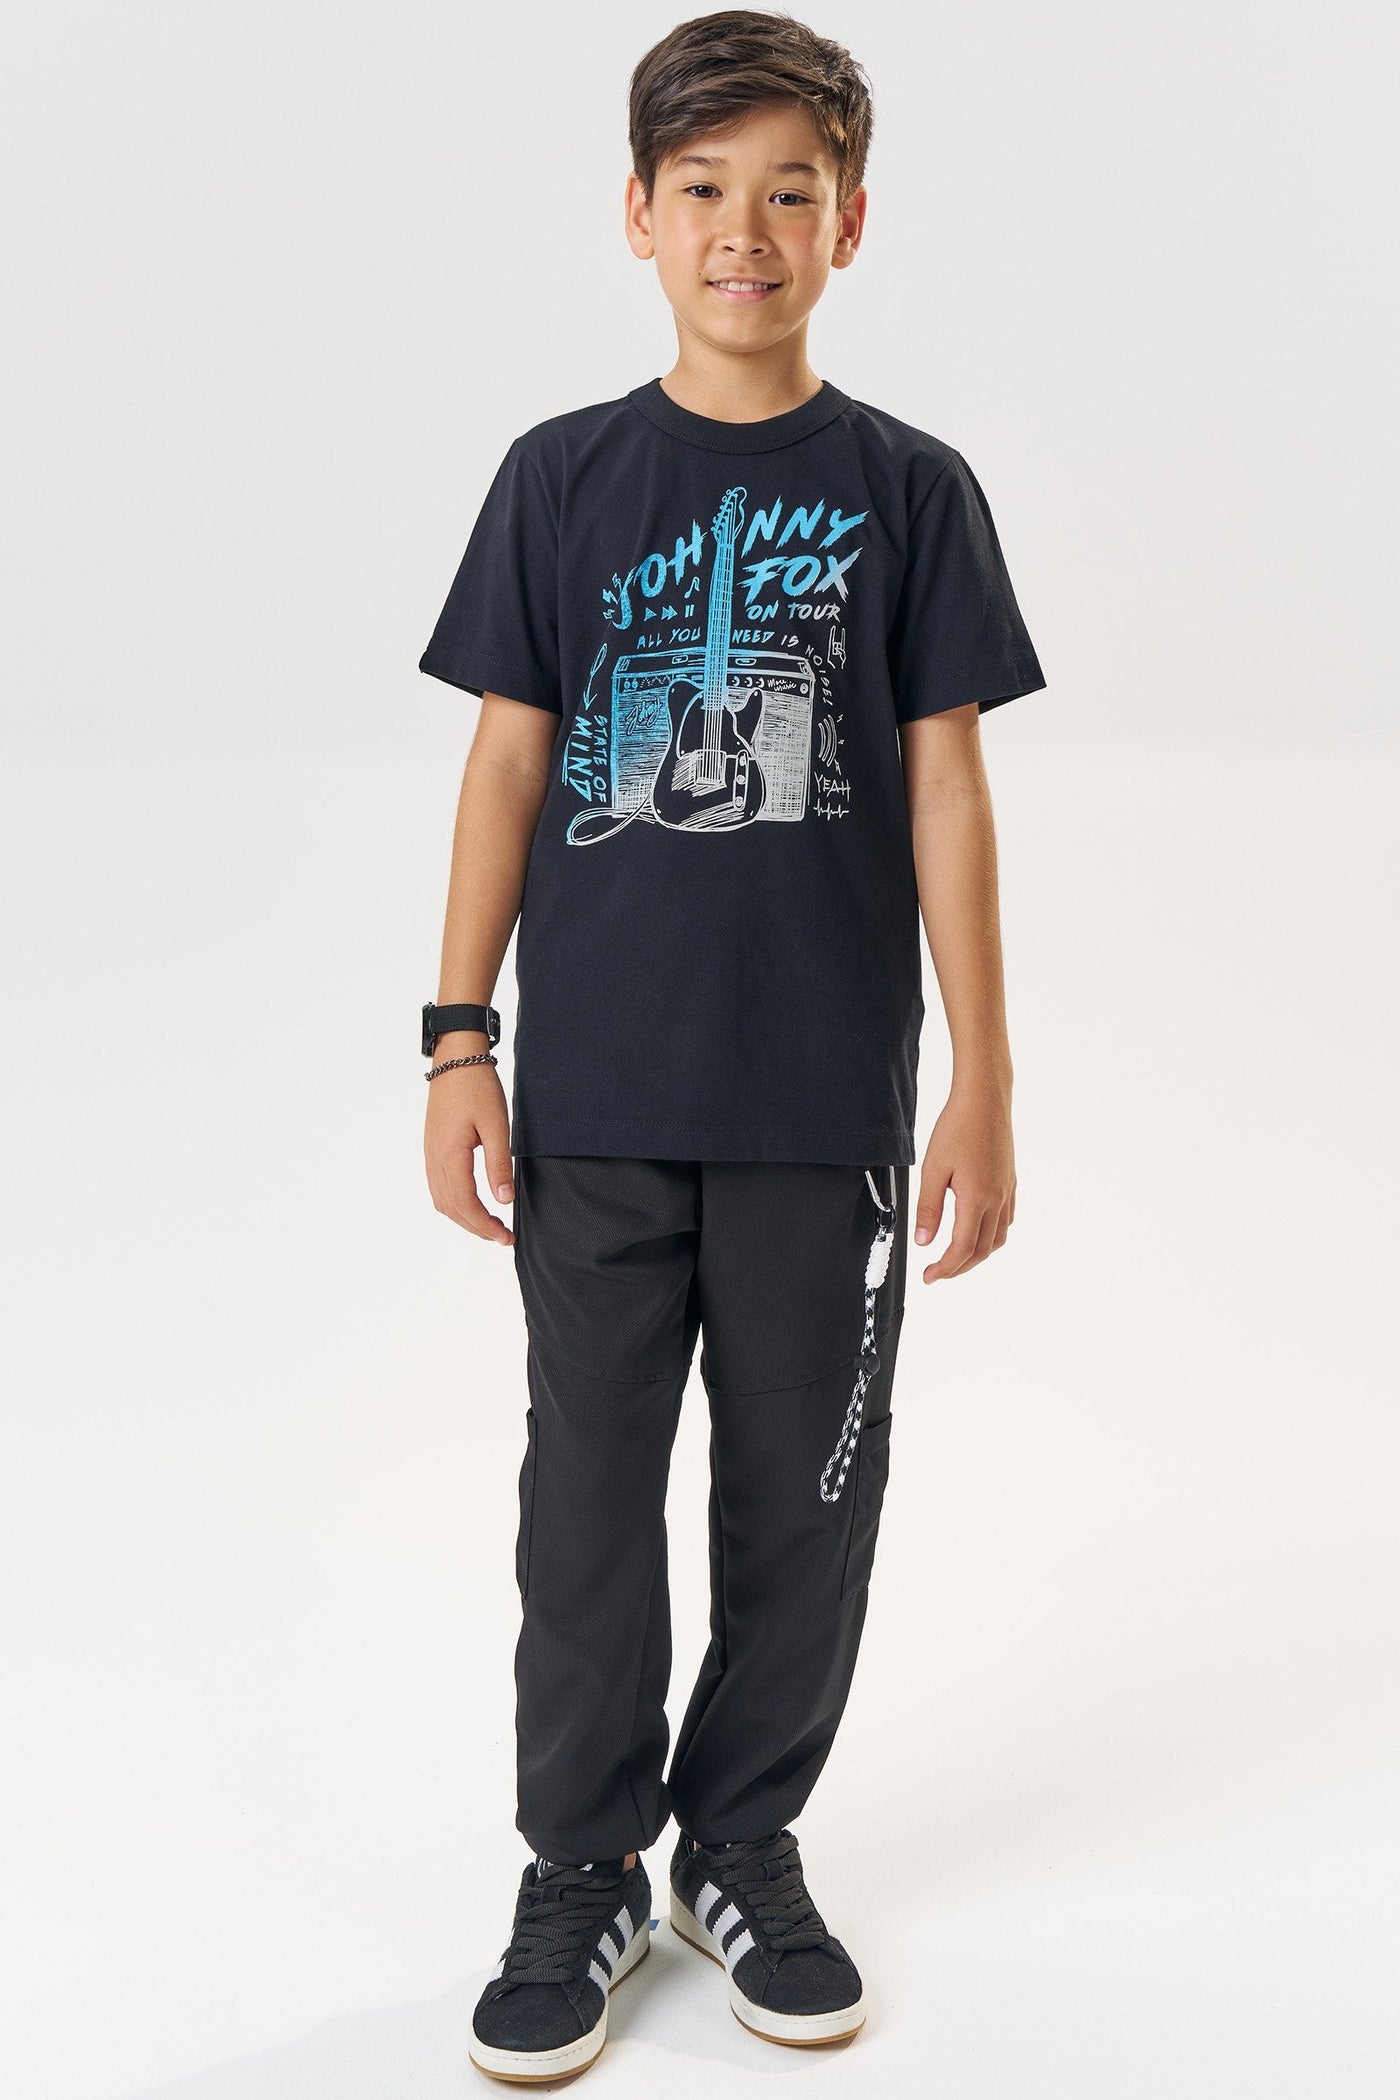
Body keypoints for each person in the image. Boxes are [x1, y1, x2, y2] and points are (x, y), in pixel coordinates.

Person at [417, 9, 1047, 2082]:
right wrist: (456, 1038)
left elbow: (946, 788)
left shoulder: (911, 491)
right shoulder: (561, 477)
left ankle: (740, 1845)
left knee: (803, 1509)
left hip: (821, 1108)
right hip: (596, 1102)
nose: (744, 232)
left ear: (850, 224)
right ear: (637, 214)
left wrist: (982, 1079)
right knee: (586, 1505)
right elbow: (507, 767)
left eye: (790, 191)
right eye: (702, 189)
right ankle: (581, 1867)